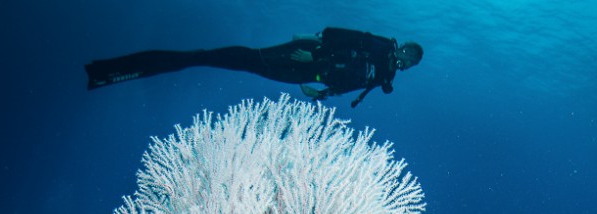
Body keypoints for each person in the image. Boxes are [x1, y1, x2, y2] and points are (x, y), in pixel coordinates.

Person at [85, 27, 423, 108]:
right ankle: (127, 67)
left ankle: (167, 62)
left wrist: (322, 92)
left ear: (408, 66)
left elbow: (350, 86)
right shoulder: (381, 46)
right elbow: (343, 37)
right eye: (406, 51)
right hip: (304, 55)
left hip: (305, 74)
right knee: (236, 56)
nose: (403, 58)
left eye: (409, 60)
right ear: (402, 45)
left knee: (239, 62)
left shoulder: (383, 76)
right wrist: (314, 50)